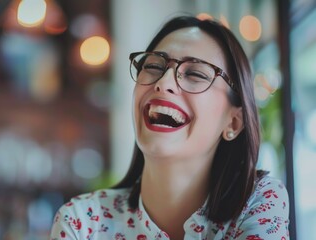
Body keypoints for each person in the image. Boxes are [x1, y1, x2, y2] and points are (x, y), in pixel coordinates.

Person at [49, 15, 290, 240]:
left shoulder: (259, 202)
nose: (164, 83)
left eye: (195, 73)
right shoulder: (82, 222)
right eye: (153, 66)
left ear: (234, 122)